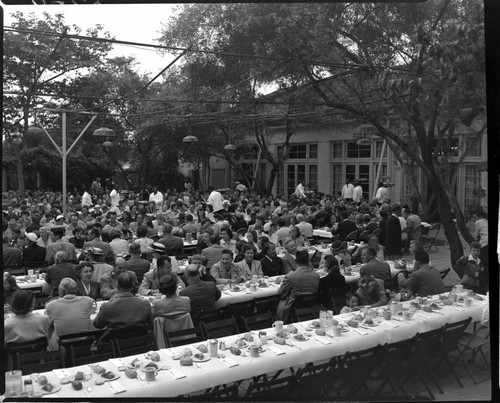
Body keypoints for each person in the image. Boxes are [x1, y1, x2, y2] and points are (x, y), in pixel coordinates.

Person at [93, 272, 153, 341]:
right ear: (132, 285)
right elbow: (151, 326)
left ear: (117, 286)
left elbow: (98, 325)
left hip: (115, 346)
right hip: (140, 343)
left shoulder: (107, 306)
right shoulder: (145, 304)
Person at [45, 278, 94, 349]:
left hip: (63, 344)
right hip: (85, 342)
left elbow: (49, 325)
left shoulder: (51, 305)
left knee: (52, 331)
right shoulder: (88, 301)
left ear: (61, 291)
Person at [275, 249, 320, 323]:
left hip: (293, 306)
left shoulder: (290, 276)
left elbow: (281, 293)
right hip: (312, 305)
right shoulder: (316, 276)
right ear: (308, 261)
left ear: (295, 261)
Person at [472, 209, 488, 293]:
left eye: (475, 217)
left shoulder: (478, 222)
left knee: (481, 267)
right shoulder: (485, 221)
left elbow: (476, 237)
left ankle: (481, 288)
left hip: (485, 246)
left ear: (480, 216)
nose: (474, 220)